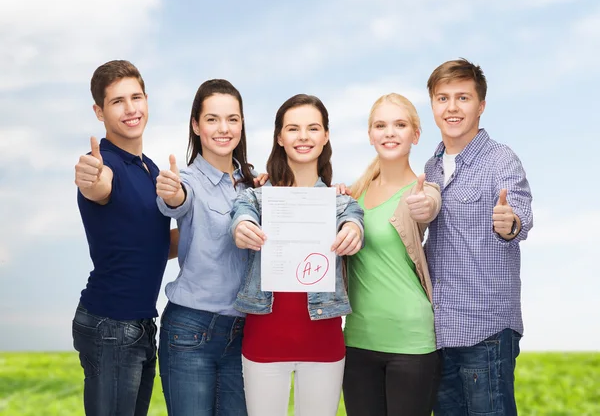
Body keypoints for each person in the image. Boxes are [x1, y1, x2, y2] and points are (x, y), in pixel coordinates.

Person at [231, 94, 365, 416]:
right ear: (280, 137)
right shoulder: (256, 198)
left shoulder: (342, 203)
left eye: (313, 128)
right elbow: (241, 216)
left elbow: (354, 222)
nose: (303, 136)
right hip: (263, 344)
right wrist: (243, 227)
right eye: (293, 128)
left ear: (325, 136)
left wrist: (353, 232)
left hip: (324, 345)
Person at [424, 59, 533, 416]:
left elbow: (519, 216)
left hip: (485, 330)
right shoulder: (431, 167)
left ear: (481, 106)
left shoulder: (501, 160)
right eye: (443, 98)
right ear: (433, 105)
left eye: (463, 98)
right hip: (441, 331)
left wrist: (509, 224)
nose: (452, 107)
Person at [72, 60, 175, 416]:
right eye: (117, 101)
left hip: (142, 325)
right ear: (99, 111)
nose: (131, 109)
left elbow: (154, 244)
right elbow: (96, 186)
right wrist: (90, 177)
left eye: (136, 97)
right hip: (110, 323)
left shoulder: (151, 169)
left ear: (147, 100)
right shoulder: (103, 164)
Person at [155, 79, 259, 416]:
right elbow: (176, 200)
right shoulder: (186, 180)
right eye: (212, 119)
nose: (223, 128)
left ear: (242, 124)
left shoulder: (255, 184)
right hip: (190, 331)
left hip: (244, 333)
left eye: (232, 119)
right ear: (196, 125)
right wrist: (170, 193)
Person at [342, 93, 442, 416]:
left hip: (411, 342)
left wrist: (425, 205)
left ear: (415, 134)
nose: (389, 132)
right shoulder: (353, 196)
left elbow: (430, 205)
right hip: (357, 341)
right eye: (381, 125)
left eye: (400, 125)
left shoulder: (422, 190)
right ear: (370, 135)